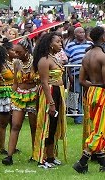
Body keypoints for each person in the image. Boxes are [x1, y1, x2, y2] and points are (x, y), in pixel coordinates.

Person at [73, 26, 105, 173]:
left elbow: (81, 80)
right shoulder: (103, 57)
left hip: (91, 92)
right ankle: (82, 161)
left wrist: (94, 86)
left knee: (97, 127)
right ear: (103, 38)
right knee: (100, 130)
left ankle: (103, 164)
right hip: (102, 94)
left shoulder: (86, 56)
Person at [32, 32, 67, 168]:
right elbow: (45, 83)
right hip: (49, 94)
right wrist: (51, 102)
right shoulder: (44, 60)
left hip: (57, 92)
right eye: (58, 42)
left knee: (53, 126)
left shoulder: (54, 58)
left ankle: (51, 156)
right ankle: (42, 158)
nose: (60, 44)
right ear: (50, 44)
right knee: (46, 125)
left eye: (61, 41)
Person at [2, 38, 38, 165]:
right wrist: (12, 98)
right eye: (15, 52)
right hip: (19, 96)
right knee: (15, 125)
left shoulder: (35, 62)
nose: (16, 55)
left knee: (34, 127)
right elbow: (15, 83)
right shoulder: (17, 63)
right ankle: (9, 156)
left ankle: (36, 154)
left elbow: (39, 81)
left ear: (26, 51)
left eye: (18, 52)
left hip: (33, 96)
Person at [64, 27, 92, 124]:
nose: (82, 34)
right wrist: (70, 75)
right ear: (75, 34)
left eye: (83, 32)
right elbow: (66, 61)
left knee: (89, 94)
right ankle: (78, 118)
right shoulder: (70, 45)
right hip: (76, 74)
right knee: (76, 94)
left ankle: (90, 115)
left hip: (89, 74)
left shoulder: (90, 44)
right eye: (79, 32)